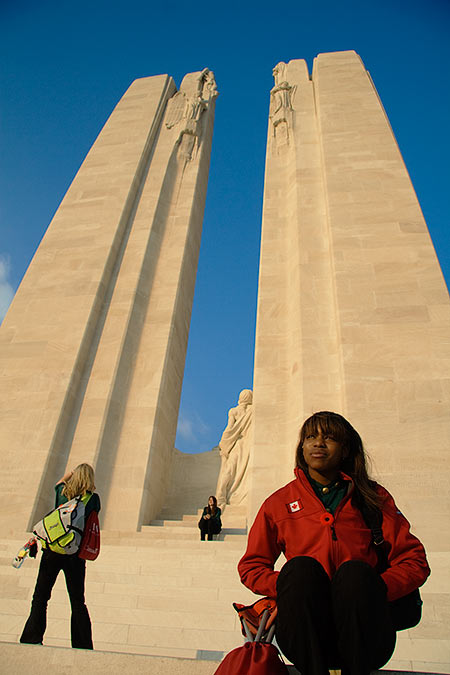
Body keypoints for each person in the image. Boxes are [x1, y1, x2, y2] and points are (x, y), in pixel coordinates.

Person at [238, 411, 430, 675]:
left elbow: (414, 560)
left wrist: (375, 589)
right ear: (301, 447)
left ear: (345, 450)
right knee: (300, 570)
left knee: (355, 574)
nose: (318, 443)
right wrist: (288, 586)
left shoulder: (373, 497)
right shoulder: (278, 503)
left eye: (329, 437)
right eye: (310, 437)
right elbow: (251, 566)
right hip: (306, 634)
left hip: (366, 632)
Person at [20, 463, 101, 649]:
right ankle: (82, 644)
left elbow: (59, 482)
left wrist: (70, 474)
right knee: (78, 601)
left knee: (40, 597)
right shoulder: (93, 500)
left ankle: (32, 638)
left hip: (52, 552)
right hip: (75, 554)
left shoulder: (63, 493)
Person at [215, 389, 253, 511]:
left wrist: (224, 442)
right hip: (246, 444)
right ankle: (221, 497)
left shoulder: (234, 411)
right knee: (232, 470)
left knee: (229, 470)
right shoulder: (252, 410)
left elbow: (229, 428)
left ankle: (220, 496)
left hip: (237, 445)